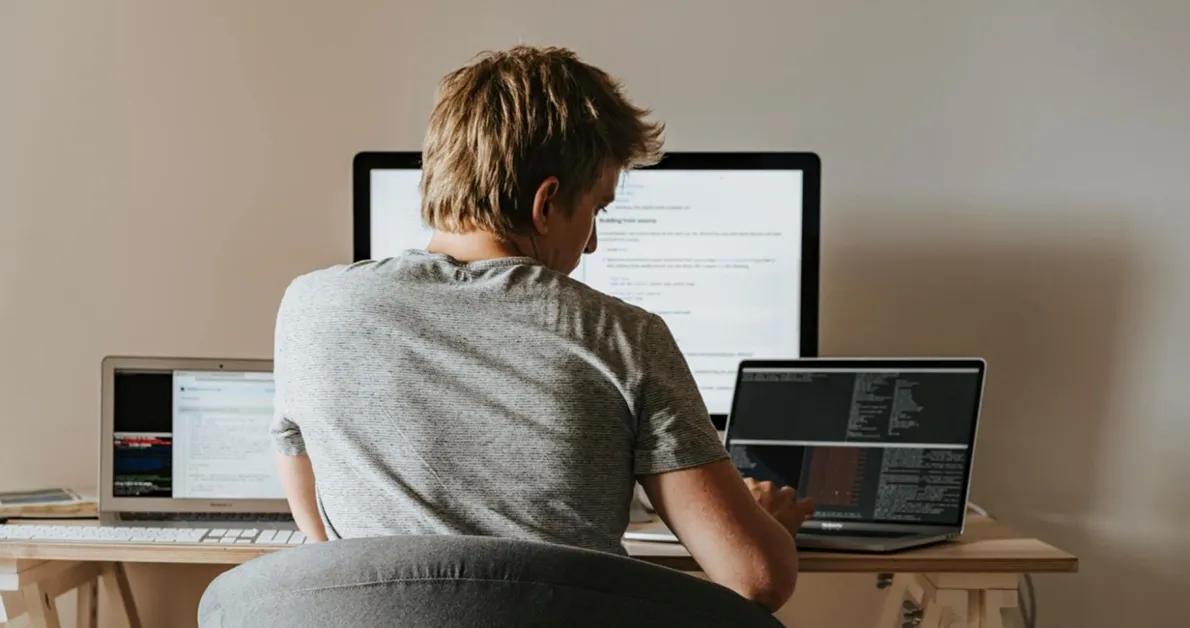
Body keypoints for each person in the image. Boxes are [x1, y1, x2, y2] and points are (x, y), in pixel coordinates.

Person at [270, 45, 811, 612]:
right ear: (546, 203)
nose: (594, 241)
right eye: (597, 210)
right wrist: (765, 525)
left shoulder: (310, 307)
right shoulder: (623, 335)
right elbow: (755, 579)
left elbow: (326, 552)